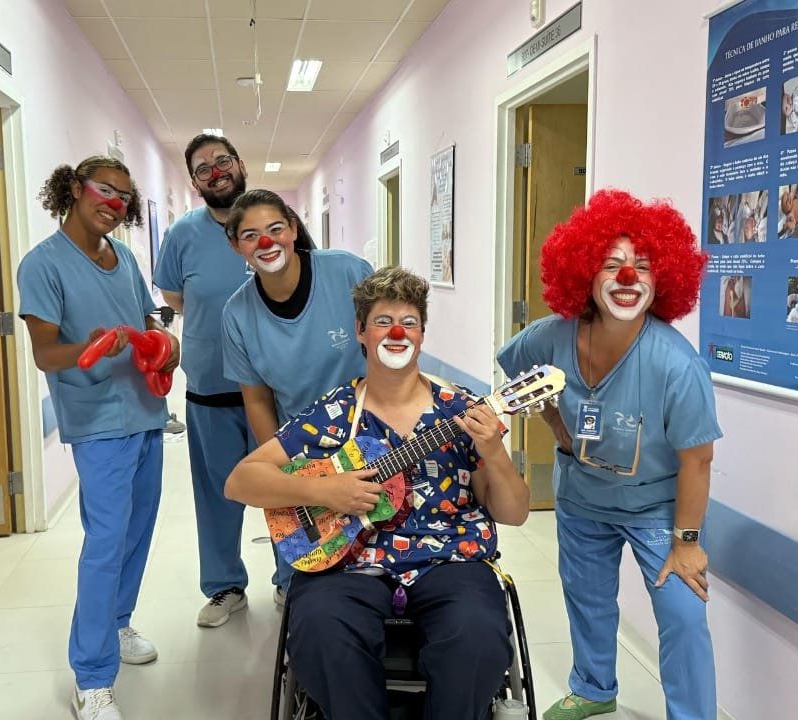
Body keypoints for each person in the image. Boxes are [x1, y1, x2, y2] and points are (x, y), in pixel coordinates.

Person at [226, 267, 530, 720]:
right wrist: (325, 490)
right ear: (360, 333)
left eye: (408, 321)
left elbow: (515, 512)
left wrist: (495, 452)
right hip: (347, 563)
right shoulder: (333, 412)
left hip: (451, 558)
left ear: (422, 335)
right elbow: (240, 481)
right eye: (383, 321)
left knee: (478, 635)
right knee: (321, 630)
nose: (396, 331)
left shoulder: (463, 409)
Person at [496, 189, 722, 720]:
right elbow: (516, 370)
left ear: (662, 278)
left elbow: (698, 461)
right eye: (612, 264)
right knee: (588, 600)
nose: (628, 278)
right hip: (582, 498)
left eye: (642, 266)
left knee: (684, 615)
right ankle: (595, 688)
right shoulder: (551, 336)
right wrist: (555, 422)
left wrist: (686, 542)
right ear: (583, 275)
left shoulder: (676, 364)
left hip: (656, 510)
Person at [17, 155, 179, 720]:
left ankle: (115, 623)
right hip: (98, 422)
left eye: (123, 197)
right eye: (104, 191)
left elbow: (148, 319)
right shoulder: (43, 265)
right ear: (73, 189)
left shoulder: (125, 258)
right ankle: (91, 678)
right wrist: (91, 346)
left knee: (137, 529)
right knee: (106, 541)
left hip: (144, 411)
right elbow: (44, 353)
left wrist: (164, 342)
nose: (114, 204)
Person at [221, 189, 374, 597]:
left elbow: (391, 342)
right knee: (306, 567)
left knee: (374, 549)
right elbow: (256, 399)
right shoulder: (237, 315)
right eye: (251, 235)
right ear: (236, 246)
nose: (266, 242)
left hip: (372, 437)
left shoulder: (346, 273)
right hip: (302, 447)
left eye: (275, 229)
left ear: (293, 229)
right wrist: (284, 473)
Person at [152, 133, 267, 628]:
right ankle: (224, 587)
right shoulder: (183, 234)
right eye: (203, 167)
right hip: (210, 388)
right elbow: (176, 297)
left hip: (271, 387)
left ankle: (294, 580)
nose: (216, 170)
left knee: (289, 489)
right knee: (218, 493)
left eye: (223, 160)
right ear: (195, 181)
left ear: (241, 164)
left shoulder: (269, 221)